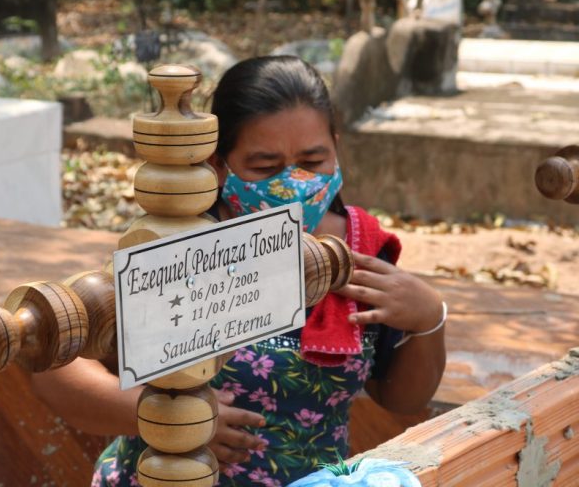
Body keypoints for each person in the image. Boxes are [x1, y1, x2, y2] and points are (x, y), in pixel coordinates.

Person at [32, 56, 446, 486]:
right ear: (217, 164)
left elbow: (401, 397)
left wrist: (429, 317)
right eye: (266, 167)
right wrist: (163, 419)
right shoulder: (182, 248)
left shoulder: (360, 252)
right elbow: (54, 366)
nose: (292, 183)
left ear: (336, 149)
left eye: (313, 160)